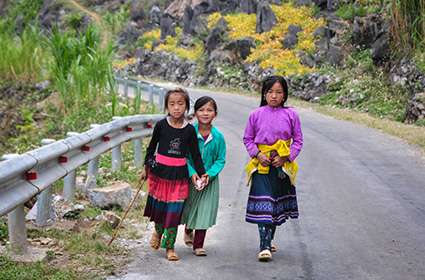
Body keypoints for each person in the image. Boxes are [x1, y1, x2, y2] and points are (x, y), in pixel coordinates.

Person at [141, 87, 208, 261]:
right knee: (160, 209)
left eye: (180, 104)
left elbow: (195, 155)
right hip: (160, 174)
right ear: (167, 106)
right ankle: (158, 231)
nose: (176, 107)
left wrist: (203, 173)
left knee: (174, 211)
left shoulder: (189, 131)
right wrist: (146, 167)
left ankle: (169, 247)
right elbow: (151, 148)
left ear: (186, 107)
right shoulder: (161, 125)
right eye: (172, 104)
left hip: (179, 176)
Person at [243, 75, 303, 262]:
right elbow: (248, 139)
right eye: (270, 92)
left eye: (278, 92)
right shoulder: (255, 114)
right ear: (264, 94)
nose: (274, 96)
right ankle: (264, 246)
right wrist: (257, 154)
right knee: (265, 203)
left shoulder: (291, 115)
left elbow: (298, 140)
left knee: (275, 205)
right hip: (261, 166)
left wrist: (286, 157)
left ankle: (268, 239)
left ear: (284, 95)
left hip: (281, 167)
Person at [181, 96, 226, 256]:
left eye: (209, 110)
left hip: (209, 181)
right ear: (195, 113)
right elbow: (184, 156)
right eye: (201, 110)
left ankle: (198, 245)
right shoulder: (188, 133)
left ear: (215, 113)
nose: (205, 113)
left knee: (204, 211)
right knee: (190, 207)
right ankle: (188, 228)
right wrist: (192, 172)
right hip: (190, 178)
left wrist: (210, 174)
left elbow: (220, 160)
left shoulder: (218, 137)